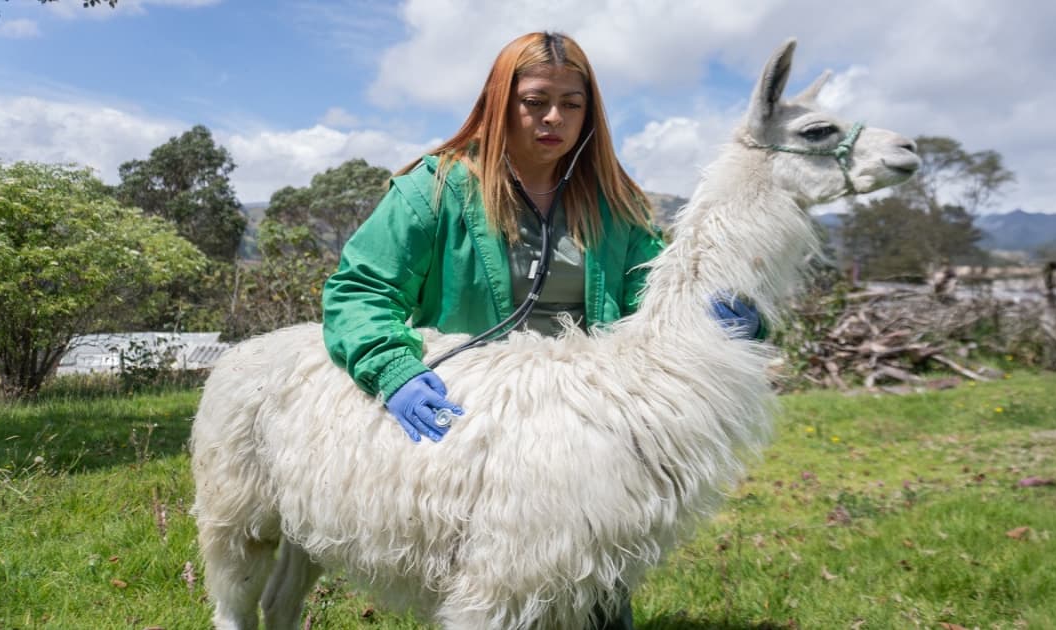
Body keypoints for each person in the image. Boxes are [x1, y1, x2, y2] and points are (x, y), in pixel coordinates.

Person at [321, 30, 760, 630]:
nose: (553, 117)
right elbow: (359, 290)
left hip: (584, 431)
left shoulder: (615, 204)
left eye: (571, 104)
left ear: (590, 112)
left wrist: (714, 317)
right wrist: (393, 368)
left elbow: (652, 306)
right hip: (475, 425)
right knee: (494, 592)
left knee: (591, 591)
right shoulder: (435, 187)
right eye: (534, 101)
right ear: (501, 101)